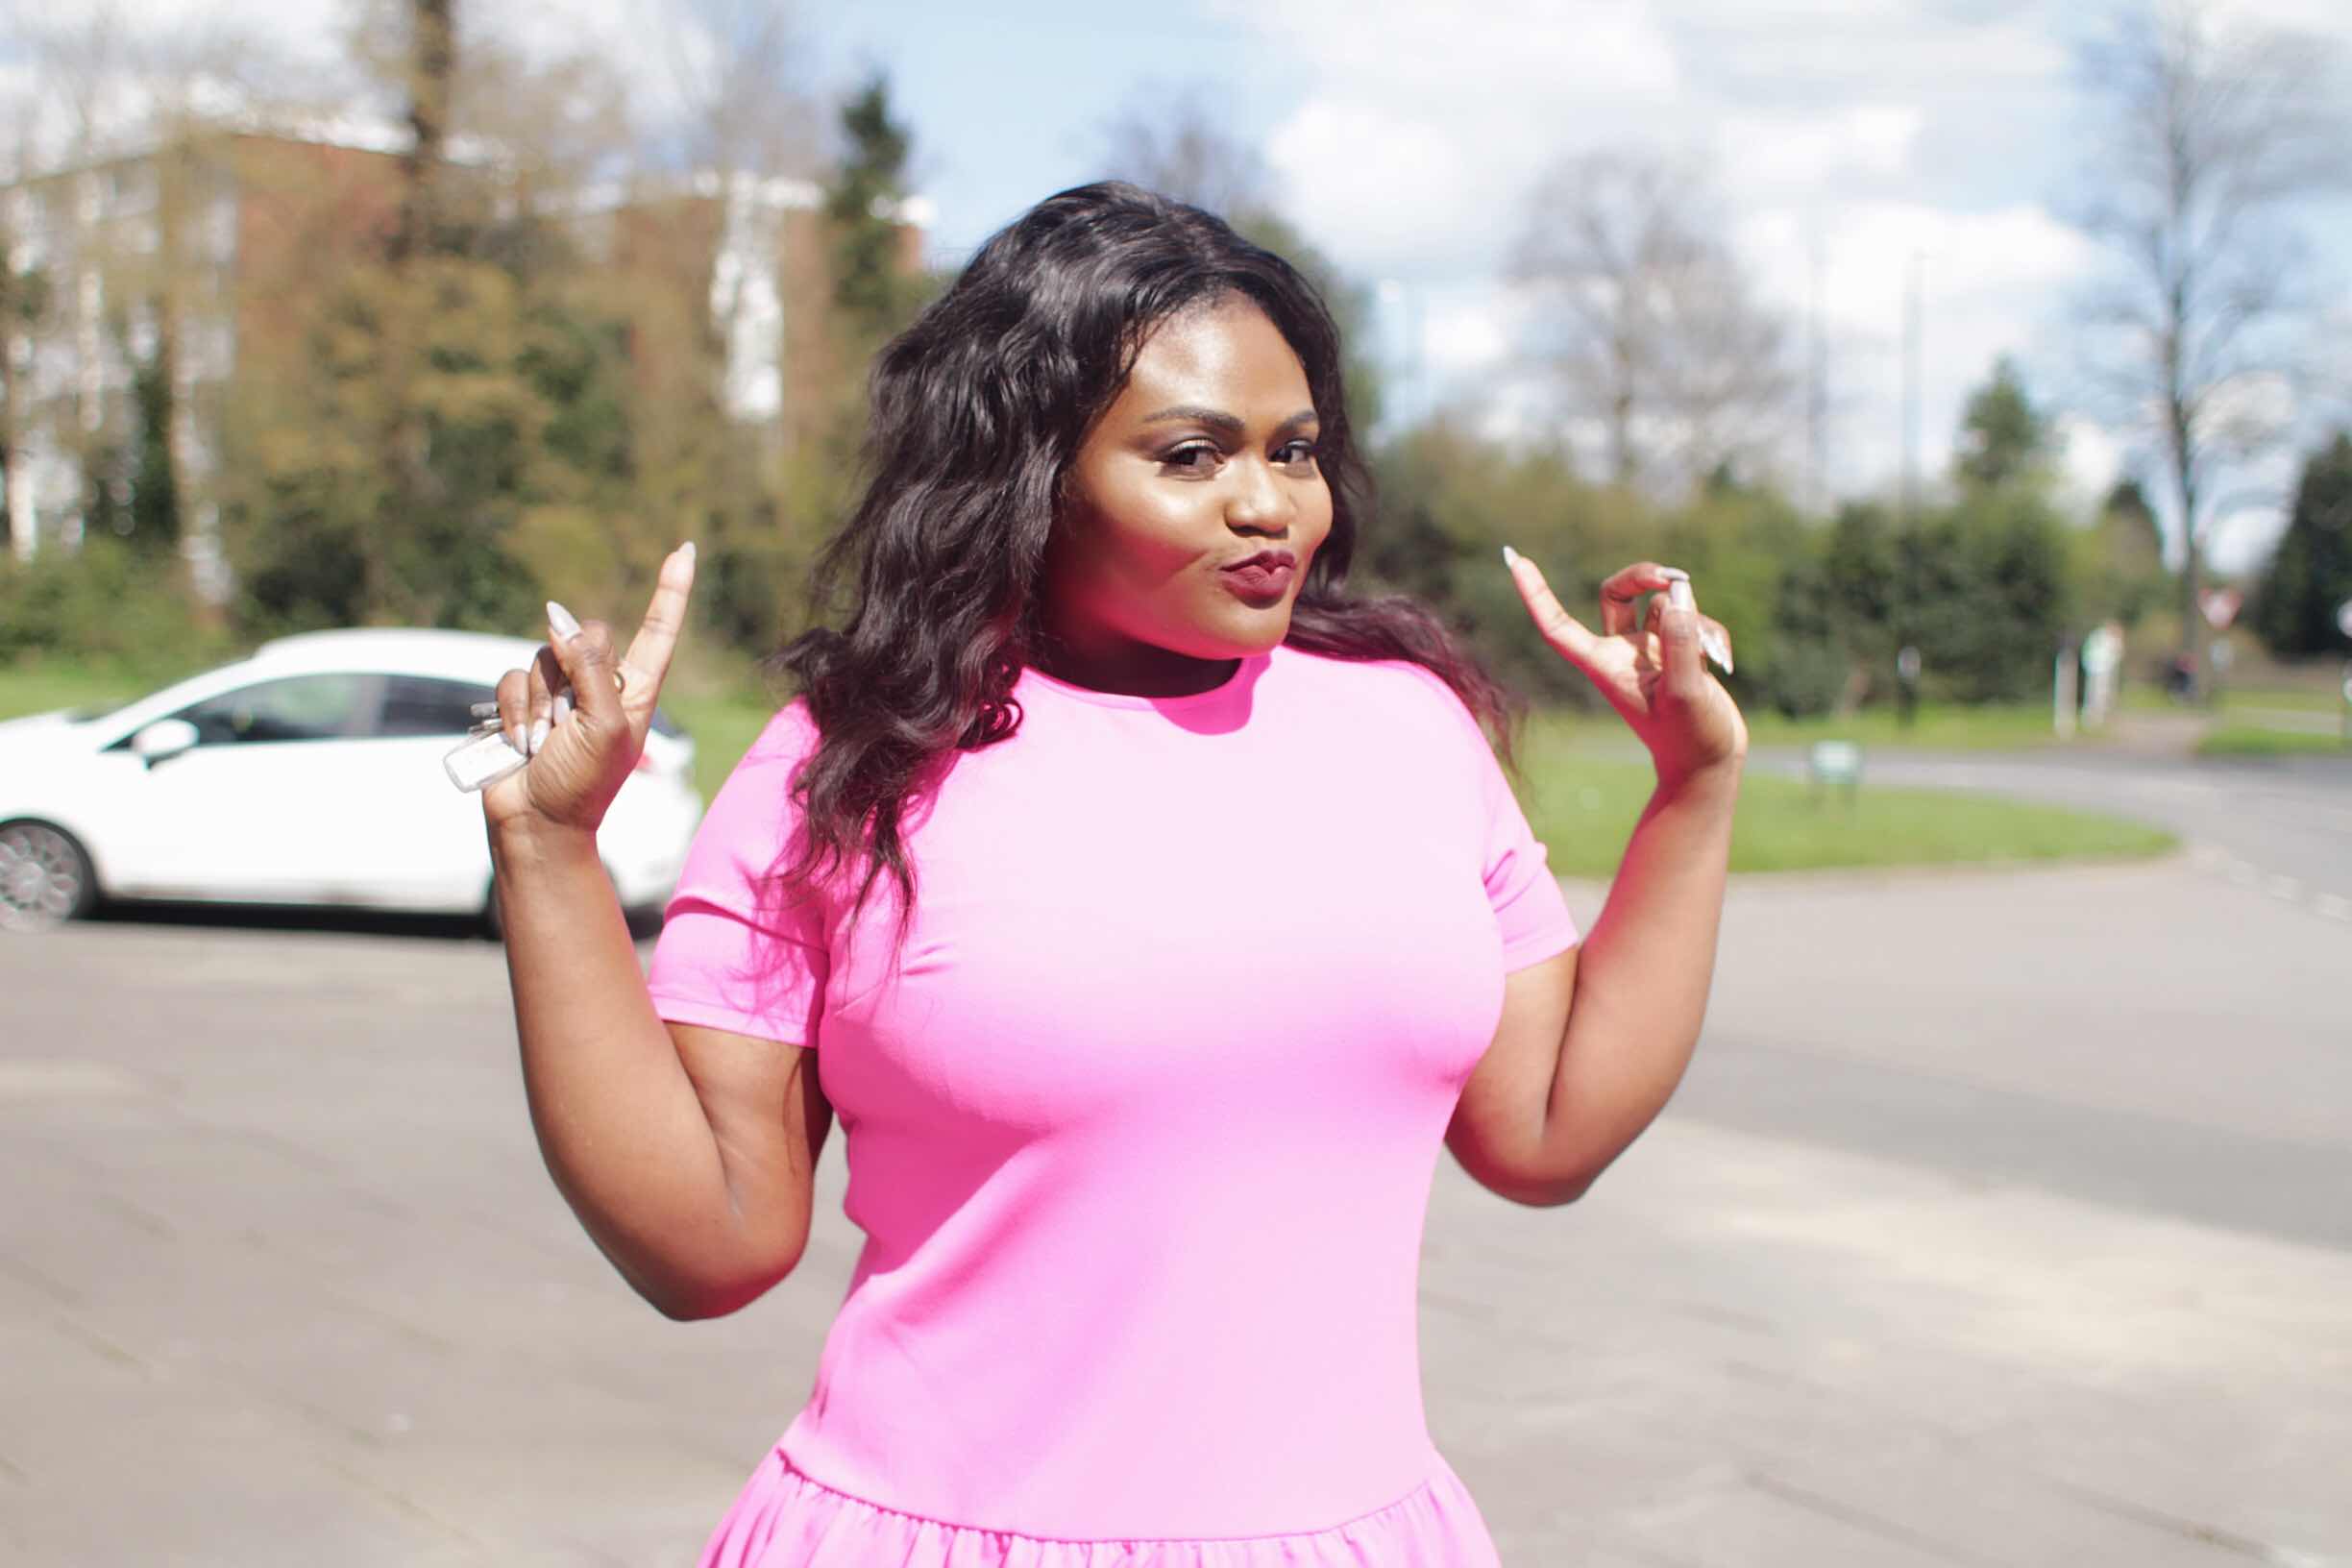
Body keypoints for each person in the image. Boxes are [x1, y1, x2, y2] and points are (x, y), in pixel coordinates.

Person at [483, 182, 1746, 1566]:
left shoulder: (1411, 728)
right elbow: (709, 1246)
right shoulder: (850, 764)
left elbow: (1547, 1131)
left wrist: (1694, 790)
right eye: (1191, 455)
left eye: (1296, 450)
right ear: (1029, 474)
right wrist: (549, 851)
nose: (1268, 504)